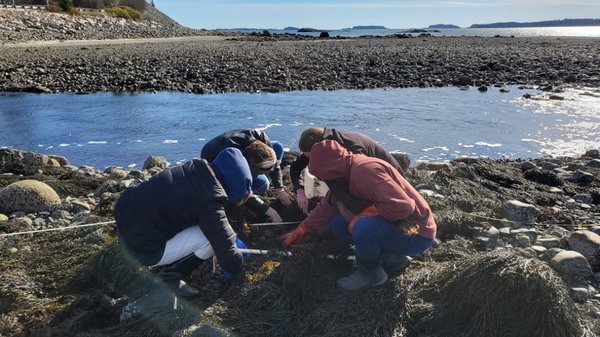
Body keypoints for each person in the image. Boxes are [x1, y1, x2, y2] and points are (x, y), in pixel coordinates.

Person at [282, 140, 436, 291]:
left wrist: (363, 216)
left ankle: (370, 274)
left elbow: (403, 206)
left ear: (330, 169)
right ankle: (392, 259)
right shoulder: (341, 176)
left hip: (417, 234)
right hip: (398, 229)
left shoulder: (364, 170)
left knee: (362, 227)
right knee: (337, 223)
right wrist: (300, 231)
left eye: (321, 175)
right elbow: (325, 208)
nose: (321, 179)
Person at [114, 148, 251, 297]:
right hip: (140, 250)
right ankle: (169, 278)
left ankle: (168, 260)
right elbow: (225, 247)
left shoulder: (191, 168)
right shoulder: (210, 201)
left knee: (193, 219)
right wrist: (237, 270)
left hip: (124, 223)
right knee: (208, 240)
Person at [290, 127, 405, 214]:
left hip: (391, 186)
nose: (311, 161)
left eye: (311, 157)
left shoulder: (351, 149)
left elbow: (362, 185)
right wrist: (300, 191)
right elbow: (295, 168)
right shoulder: (320, 148)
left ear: (319, 146)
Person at [201, 129, 292, 222]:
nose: (271, 170)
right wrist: (270, 211)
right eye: (266, 170)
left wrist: (279, 189)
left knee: (277, 146)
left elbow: (272, 160)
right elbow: (243, 193)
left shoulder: (259, 137)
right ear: (252, 166)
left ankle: (262, 176)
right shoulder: (236, 166)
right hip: (214, 165)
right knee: (263, 184)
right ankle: (249, 195)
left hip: (230, 147)